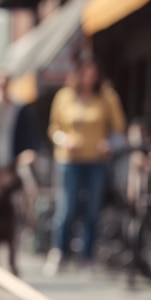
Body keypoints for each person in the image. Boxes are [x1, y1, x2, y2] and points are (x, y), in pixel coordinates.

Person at [43, 52, 126, 276]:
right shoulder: (64, 96)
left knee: (92, 209)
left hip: (96, 161)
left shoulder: (107, 96)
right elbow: (54, 128)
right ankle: (59, 251)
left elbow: (119, 128)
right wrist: (63, 140)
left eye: (93, 73)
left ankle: (86, 256)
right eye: (85, 72)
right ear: (78, 74)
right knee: (67, 207)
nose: (89, 77)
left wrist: (109, 143)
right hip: (69, 160)